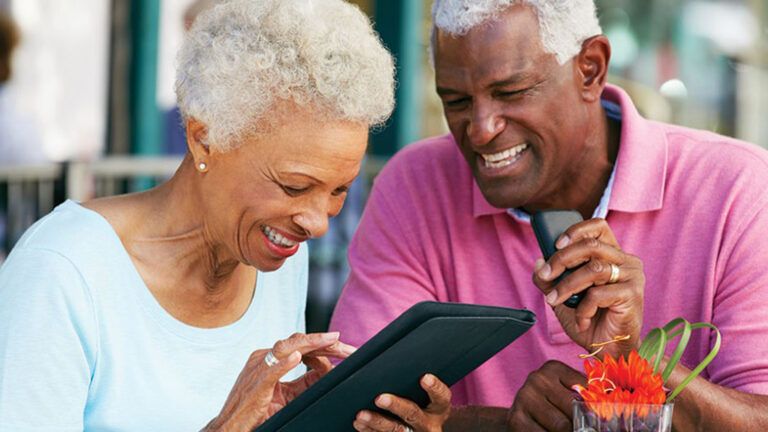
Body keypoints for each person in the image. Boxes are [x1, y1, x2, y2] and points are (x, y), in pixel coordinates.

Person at [0, 1, 451, 431]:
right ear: (204, 139)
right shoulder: (62, 270)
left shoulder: (278, 256)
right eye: (294, 186)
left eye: (338, 191)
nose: (317, 223)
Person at [330, 0, 768, 430]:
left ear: (590, 69)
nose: (481, 130)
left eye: (511, 92)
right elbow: (354, 405)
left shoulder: (737, 187)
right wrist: (504, 425)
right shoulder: (414, 185)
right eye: (457, 101)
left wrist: (631, 363)